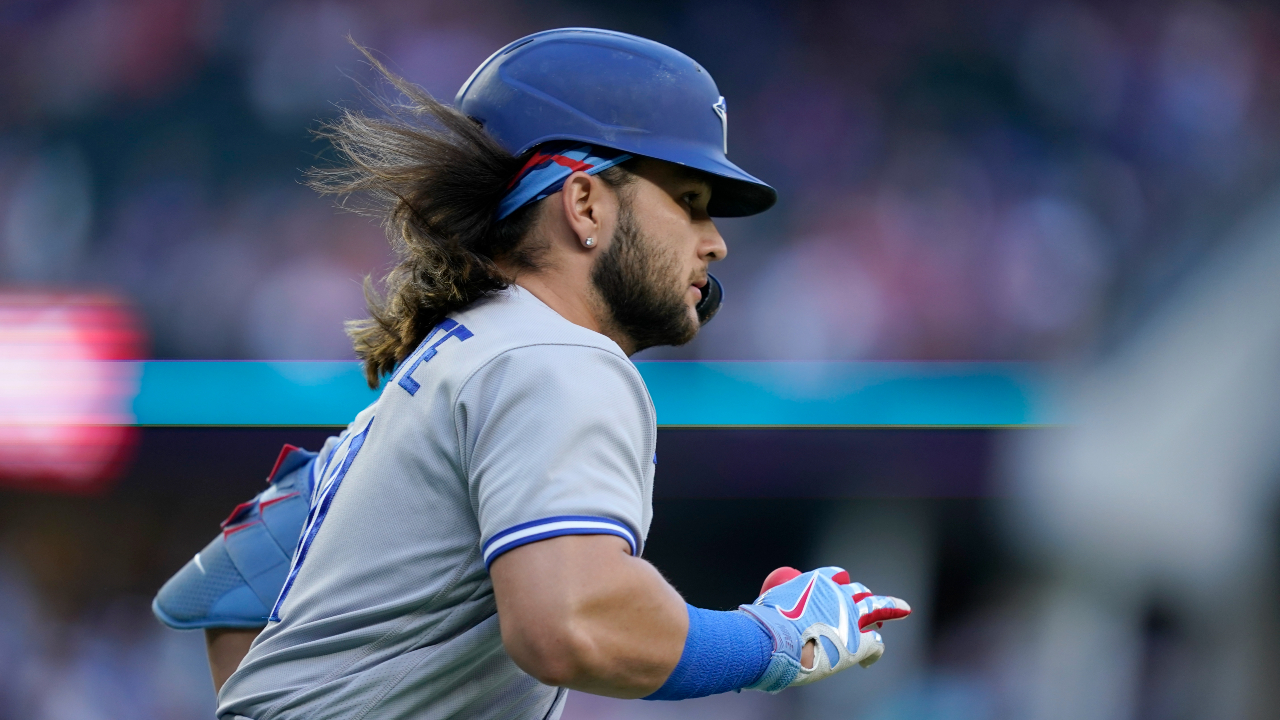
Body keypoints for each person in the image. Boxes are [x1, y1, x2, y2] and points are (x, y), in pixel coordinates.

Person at [153, 28, 910, 719]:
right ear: (584, 201)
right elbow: (570, 623)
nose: (715, 243)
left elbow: (228, 590)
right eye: (688, 201)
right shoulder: (560, 359)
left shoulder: (457, 356)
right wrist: (775, 641)